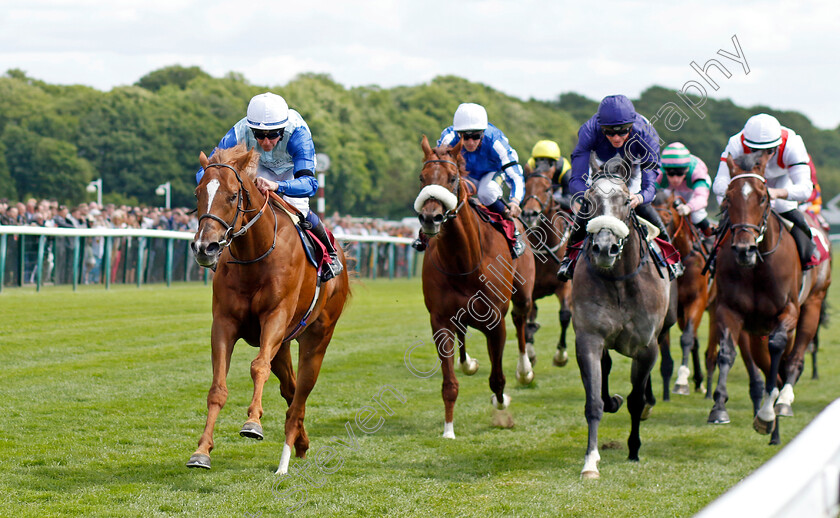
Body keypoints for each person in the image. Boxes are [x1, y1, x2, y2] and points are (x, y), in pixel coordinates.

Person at [196, 92, 342, 281]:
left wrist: (277, 185)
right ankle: (221, 250)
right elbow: (207, 170)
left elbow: (309, 185)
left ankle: (330, 254)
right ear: (251, 129)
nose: (266, 142)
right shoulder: (239, 130)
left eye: (273, 135)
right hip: (259, 166)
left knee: (300, 208)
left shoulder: (298, 134)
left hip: (291, 171)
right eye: (259, 135)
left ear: (282, 129)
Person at [556, 94, 682, 280]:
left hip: (635, 165)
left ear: (631, 126)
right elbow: (576, 179)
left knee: (643, 206)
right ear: (601, 127)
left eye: (622, 131)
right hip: (600, 164)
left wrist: (639, 197)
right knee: (587, 207)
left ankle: (670, 257)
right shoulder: (588, 132)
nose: (616, 137)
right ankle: (569, 258)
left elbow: (650, 185)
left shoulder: (645, 133)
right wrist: (587, 197)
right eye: (610, 132)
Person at [412, 102, 526, 257]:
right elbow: (439, 169)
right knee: (450, 187)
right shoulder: (449, 138)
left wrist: (515, 200)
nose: (470, 142)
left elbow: (515, 173)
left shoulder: (496, 141)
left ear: (483, 133)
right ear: (458, 133)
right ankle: (426, 231)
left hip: (491, 174)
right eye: (465, 136)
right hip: (465, 176)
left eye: (476, 136)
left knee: (487, 192)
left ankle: (513, 232)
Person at [712, 113, 816, 269]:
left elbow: (805, 189)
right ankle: (714, 259)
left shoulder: (792, 144)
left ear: (778, 145)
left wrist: (775, 193)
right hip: (746, 186)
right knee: (726, 215)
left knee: (784, 208)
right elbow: (719, 184)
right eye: (755, 150)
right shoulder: (735, 143)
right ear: (747, 144)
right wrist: (739, 193)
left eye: (769, 150)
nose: (762, 157)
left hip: (780, 182)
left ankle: (808, 258)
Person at [655, 142, 715, 236]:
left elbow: (701, 198)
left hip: (693, 190)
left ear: (687, 170)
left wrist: (689, 207)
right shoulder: (659, 173)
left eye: (679, 173)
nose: (675, 179)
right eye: (671, 173)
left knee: (696, 215)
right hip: (671, 190)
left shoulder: (697, 171)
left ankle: (712, 236)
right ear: (665, 170)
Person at [526, 140, 573, 209]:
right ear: (534, 160)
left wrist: (549, 199)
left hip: (557, 193)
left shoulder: (565, 169)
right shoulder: (530, 166)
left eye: (549, 162)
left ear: (555, 162)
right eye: (539, 161)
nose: (543, 167)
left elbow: (569, 201)